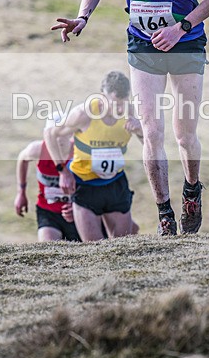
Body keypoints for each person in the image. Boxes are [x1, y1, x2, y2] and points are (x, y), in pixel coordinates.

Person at [51, 0, 209, 236]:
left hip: (185, 44)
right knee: (151, 129)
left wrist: (181, 26)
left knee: (183, 134)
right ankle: (164, 213)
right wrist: (82, 17)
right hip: (143, 45)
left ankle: (191, 191)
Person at [44, 71, 143, 242]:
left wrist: (141, 130)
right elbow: (51, 134)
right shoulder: (84, 113)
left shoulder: (131, 112)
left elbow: (150, 143)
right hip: (85, 185)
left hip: (115, 183)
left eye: (124, 103)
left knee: (124, 246)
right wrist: (62, 171)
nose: (120, 109)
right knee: (95, 249)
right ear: (103, 97)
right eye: (116, 104)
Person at [15, 118, 80, 242]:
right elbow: (22, 158)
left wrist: (78, 206)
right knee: (48, 251)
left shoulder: (81, 152)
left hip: (79, 212)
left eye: (62, 134)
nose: (58, 139)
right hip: (48, 211)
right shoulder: (38, 150)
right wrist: (21, 192)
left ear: (71, 132)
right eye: (53, 135)